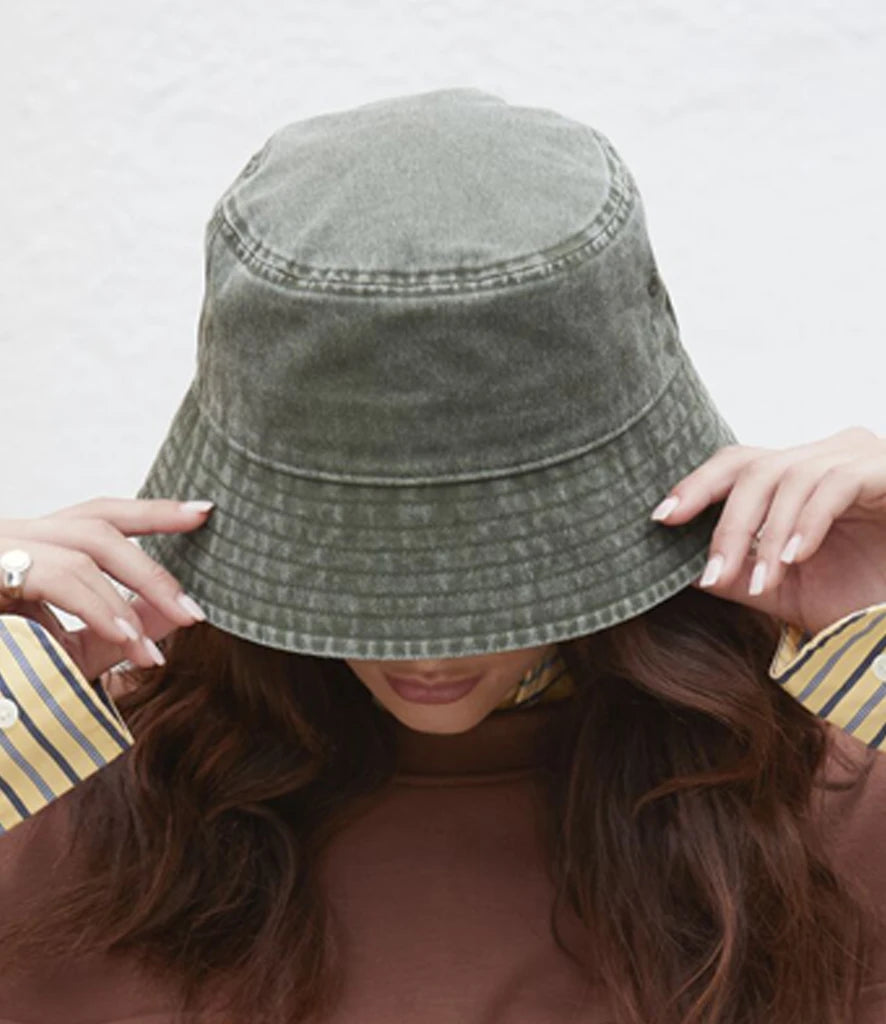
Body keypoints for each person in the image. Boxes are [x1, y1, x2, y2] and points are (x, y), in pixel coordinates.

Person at [1, 86, 885, 1024]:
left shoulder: (812, 805)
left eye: (493, 576)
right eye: (356, 572)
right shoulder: (72, 798)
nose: (426, 651)